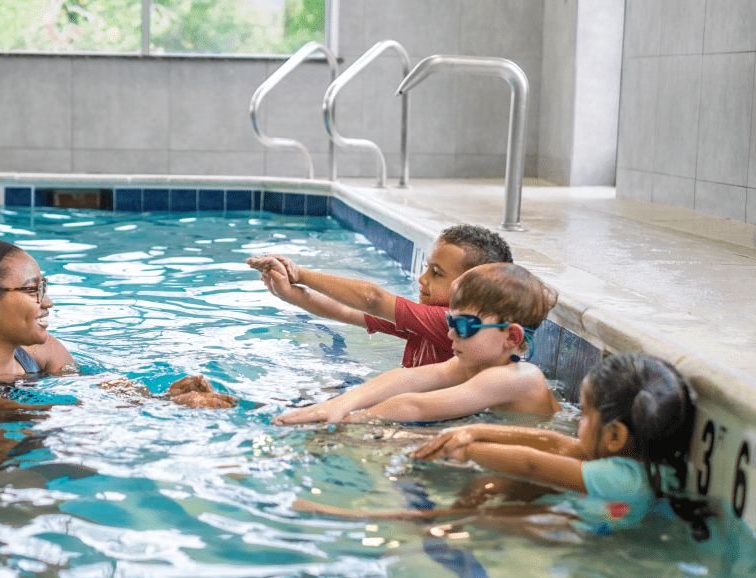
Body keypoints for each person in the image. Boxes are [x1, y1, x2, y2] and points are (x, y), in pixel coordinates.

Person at [294, 353, 713, 542]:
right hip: (592, 506)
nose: (578, 423)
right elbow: (551, 441)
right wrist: (476, 433)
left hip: (579, 531)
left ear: (617, 437)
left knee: (490, 510)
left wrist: (470, 450)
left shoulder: (620, 478)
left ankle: (378, 519)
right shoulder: (639, 462)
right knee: (496, 485)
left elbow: (533, 464)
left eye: (585, 416)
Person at [0, 203, 235, 411]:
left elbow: (91, 387)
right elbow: (2, 410)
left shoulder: (43, 352)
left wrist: (161, 399)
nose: (48, 302)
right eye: (32, 290)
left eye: (44, 288)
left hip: (21, 444)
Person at [273, 262, 559, 425]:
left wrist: (350, 420)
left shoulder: (517, 378)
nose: (450, 335)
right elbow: (408, 379)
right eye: (450, 322)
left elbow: (416, 406)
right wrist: (338, 405)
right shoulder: (471, 364)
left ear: (511, 337)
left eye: (463, 326)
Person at [247, 224, 512, 369]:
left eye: (436, 273)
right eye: (426, 269)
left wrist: (299, 274)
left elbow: (371, 298)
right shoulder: (425, 321)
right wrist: (289, 293)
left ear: (475, 287)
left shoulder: (450, 324)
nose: (422, 279)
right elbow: (345, 312)